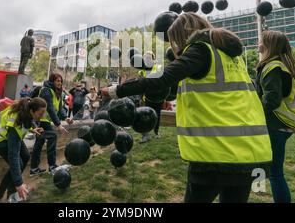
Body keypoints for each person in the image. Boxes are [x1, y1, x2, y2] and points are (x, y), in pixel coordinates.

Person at [102, 13, 272, 203]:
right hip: (253, 154)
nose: (176, 47)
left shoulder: (200, 49)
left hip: (218, 154)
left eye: (175, 40)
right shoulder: (231, 57)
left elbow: (162, 77)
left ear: (184, 35)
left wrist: (117, 90)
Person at [256, 30, 295, 203]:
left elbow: (272, 100)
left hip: (276, 125)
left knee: (275, 174)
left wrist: (254, 112)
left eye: (260, 40)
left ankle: (260, 190)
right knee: (258, 159)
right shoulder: (277, 65)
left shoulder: (273, 67)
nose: (257, 43)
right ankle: (258, 189)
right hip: (279, 125)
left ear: (269, 45)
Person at [0, 97, 46, 203]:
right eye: (40, 114)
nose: (42, 117)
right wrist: (19, 183)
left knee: (26, 156)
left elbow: (27, 120)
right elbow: (13, 155)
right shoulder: (16, 125)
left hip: (6, 134)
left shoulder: (26, 109)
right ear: (32, 111)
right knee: (17, 162)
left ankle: (11, 189)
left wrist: (32, 128)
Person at [30, 73, 72, 175]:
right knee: (52, 137)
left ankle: (34, 169)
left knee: (39, 144)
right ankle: (52, 166)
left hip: (46, 121)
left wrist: (66, 118)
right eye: (58, 81)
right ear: (52, 81)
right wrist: (58, 125)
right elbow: (50, 108)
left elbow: (60, 108)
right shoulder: (46, 91)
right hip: (40, 120)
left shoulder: (58, 92)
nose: (60, 83)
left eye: (61, 81)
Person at [138, 51, 165, 143]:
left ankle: (156, 132)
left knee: (157, 115)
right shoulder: (142, 70)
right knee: (146, 115)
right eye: (145, 57)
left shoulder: (158, 67)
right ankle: (146, 135)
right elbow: (140, 84)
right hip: (148, 97)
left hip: (158, 97)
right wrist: (140, 97)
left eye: (149, 57)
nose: (147, 59)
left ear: (153, 58)